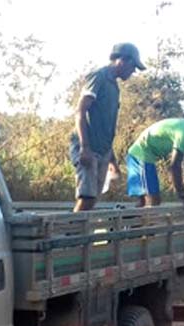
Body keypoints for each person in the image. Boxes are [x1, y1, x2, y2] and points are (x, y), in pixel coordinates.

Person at [70, 43, 145, 212]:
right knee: (86, 198)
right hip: (88, 145)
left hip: (103, 149)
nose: (133, 72)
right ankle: (70, 236)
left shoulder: (114, 87)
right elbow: (80, 111)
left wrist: (112, 159)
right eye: (133, 66)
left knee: (93, 199)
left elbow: (107, 126)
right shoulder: (99, 77)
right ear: (122, 60)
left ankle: (79, 236)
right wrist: (84, 147)